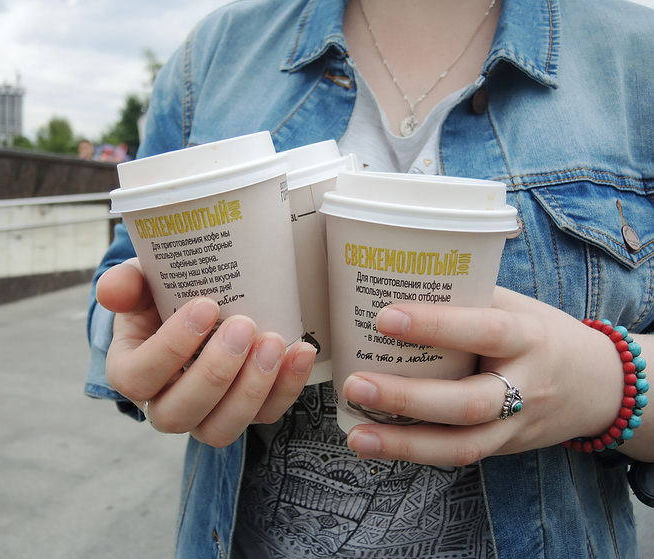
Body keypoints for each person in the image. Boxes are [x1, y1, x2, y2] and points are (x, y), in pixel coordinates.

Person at [85, 0, 654, 556]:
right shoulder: (213, 55)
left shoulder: (635, 53)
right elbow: (124, 278)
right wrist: (143, 345)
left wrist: (605, 383)